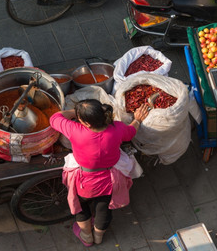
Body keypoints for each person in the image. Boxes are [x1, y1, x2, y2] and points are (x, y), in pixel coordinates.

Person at [49, 100, 150, 246]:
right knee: (103, 207)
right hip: (109, 180)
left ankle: (87, 237)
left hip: (83, 181)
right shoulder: (117, 129)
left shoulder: (75, 130)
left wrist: (75, 112)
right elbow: (130, 133)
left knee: (81, 206)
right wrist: (138, 119)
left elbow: (54, 118)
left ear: (87, 123)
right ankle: (98, 237)